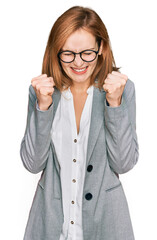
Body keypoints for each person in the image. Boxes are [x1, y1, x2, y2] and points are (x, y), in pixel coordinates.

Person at [20, 5, 139, 240]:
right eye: (68, 53)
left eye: (87, 52)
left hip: (106, 224)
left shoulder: (121, 89)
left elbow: (123, 163)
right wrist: (43, 107)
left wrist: (114, 105)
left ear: (101, 48)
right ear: (56, 51)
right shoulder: (42, 92)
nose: (78, 63)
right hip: (50, 227)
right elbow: (32, 164)